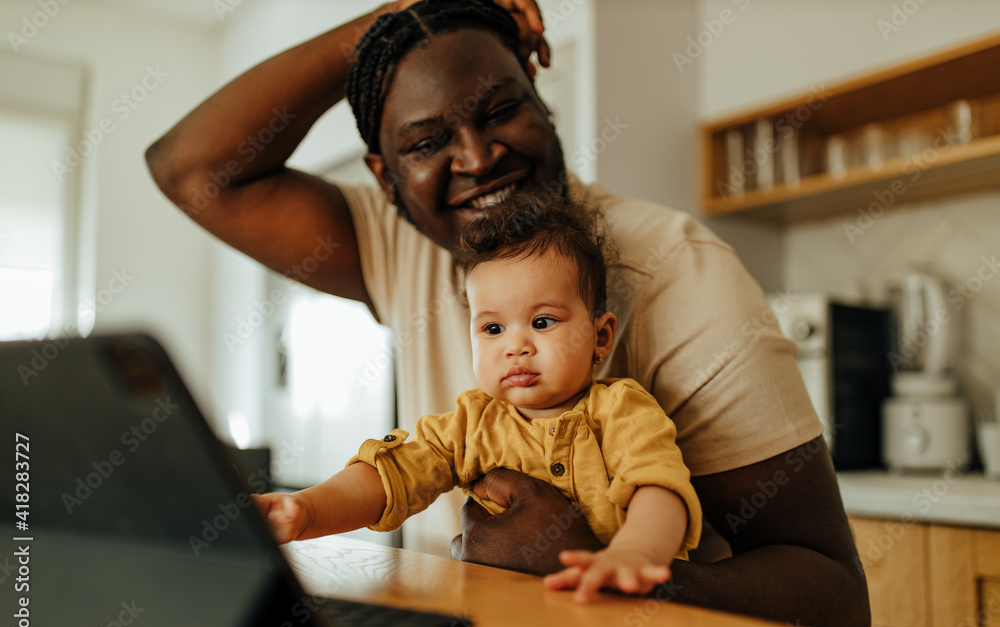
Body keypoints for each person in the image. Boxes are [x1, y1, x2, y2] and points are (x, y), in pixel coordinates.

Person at [145, 0, 870, 627]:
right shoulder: (407, 250)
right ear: (385, 178)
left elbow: (835, 605)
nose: (478, 155)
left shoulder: (682, 276)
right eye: (427, 142)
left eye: (500, 110)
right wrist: (401, 19)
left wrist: (610, 572)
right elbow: (190, 168)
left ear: (538, 94)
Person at [254, 194, 702, 602]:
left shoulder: (623, 410)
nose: (515, 346)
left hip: (615, 617)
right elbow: (390, 476)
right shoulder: (472, 424)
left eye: (543, 322)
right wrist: (307, 510)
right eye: (493, 328)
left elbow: (658, 485)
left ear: (601, 336)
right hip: (507, 618)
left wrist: (635, 552)